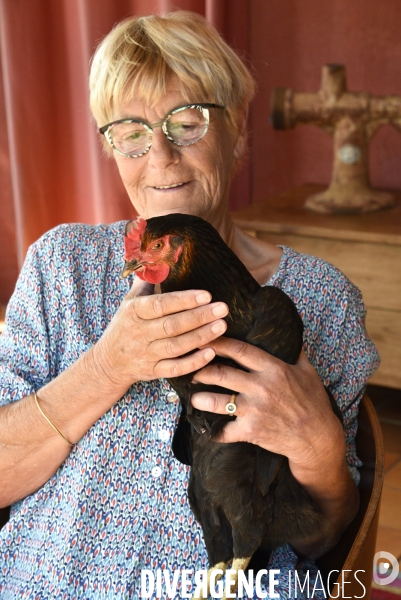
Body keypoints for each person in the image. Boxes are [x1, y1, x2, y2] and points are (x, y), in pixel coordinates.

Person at [0, 11, 379, 600]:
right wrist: (106, 367)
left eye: (188, 120)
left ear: (238, 129)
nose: (160, 156)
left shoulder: (319, 296)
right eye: (129, 130)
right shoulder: (63, 265)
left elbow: (327, 539)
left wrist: (319, 445)